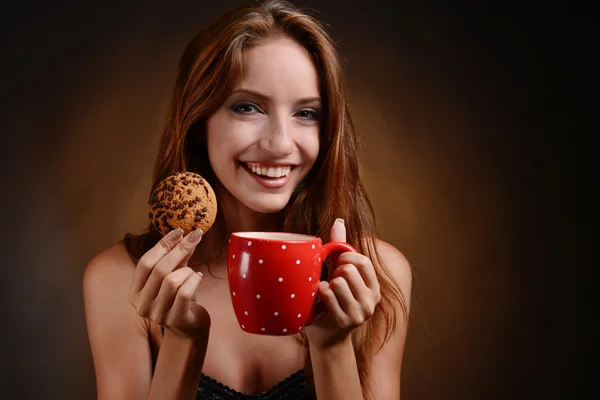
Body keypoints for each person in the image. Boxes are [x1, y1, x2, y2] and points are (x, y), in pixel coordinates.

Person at [83, 0, 412, 399]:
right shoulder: (120, 278)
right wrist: (182, 343)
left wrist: (332, 348)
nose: (279, 143)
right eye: (247, 107)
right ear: (198, 121)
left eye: (306, 113)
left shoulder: (377, 275)